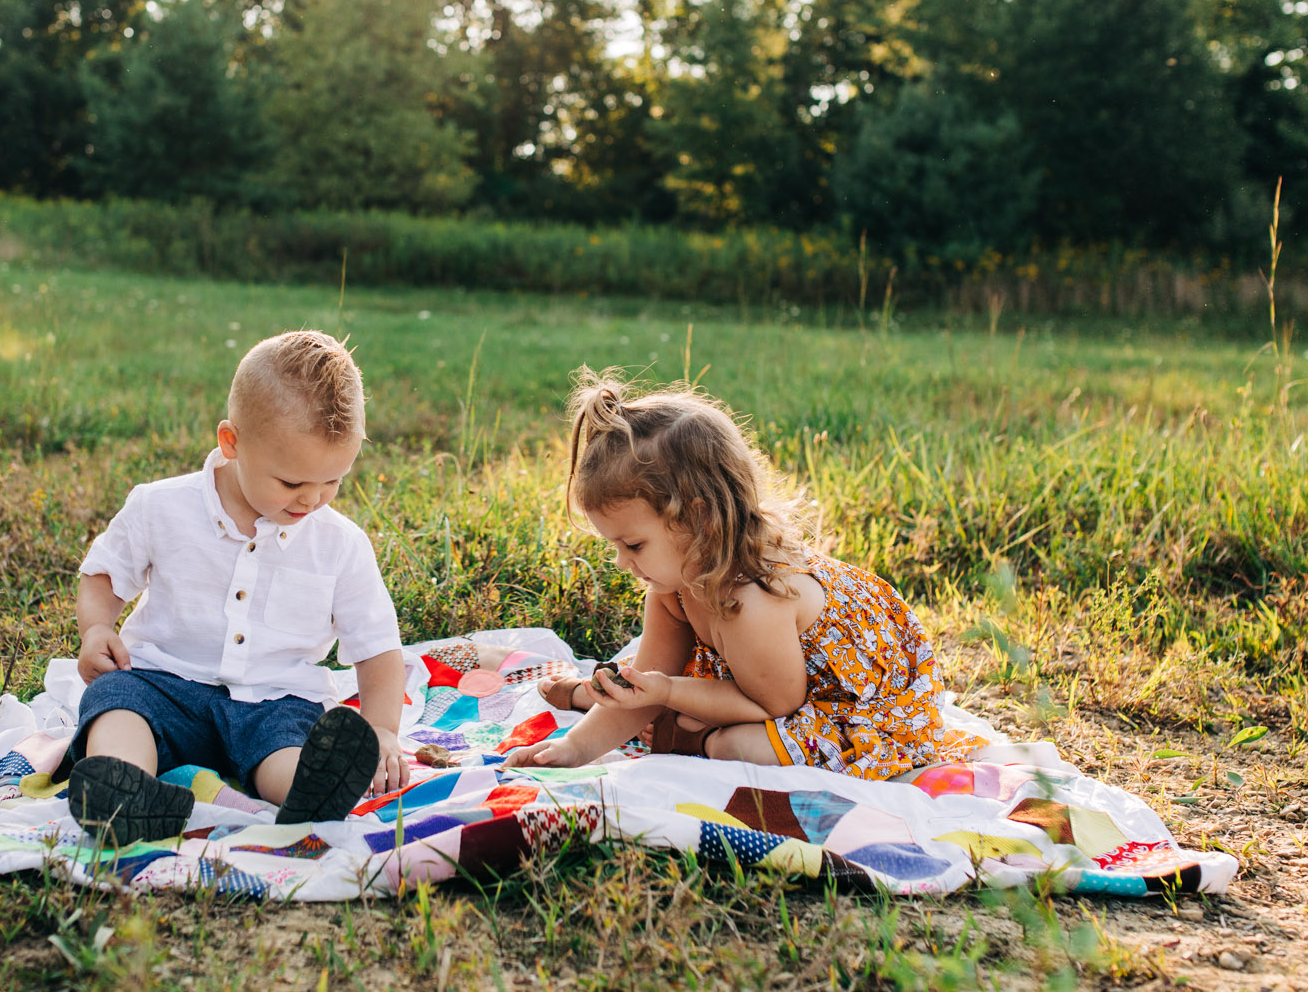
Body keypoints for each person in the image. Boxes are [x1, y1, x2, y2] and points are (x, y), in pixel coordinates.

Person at [505, 373, 983, 779]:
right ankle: (671, 718)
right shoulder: (671, 588)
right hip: (764, 680)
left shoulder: (753, 600)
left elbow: (774, 705)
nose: (621, 562)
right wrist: (572, 750)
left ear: (696, 521)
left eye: (633, 545)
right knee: (659, 690)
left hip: (848, 702)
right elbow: (646, 684)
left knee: (736, 748)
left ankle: (696, 734)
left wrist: (671, 693)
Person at [62, 330, 407, 846]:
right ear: (232, 442)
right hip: (164, 683)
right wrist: (96, 629)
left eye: (333, 481)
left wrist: (381, 731)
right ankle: (124, 791)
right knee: (117, 703)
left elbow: (378, 651)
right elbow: (104, 576)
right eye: (292, 483)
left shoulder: (340, 544)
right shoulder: (161, 508)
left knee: (290, 745)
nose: (313, 499)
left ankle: (309, 796)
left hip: (275, 697)